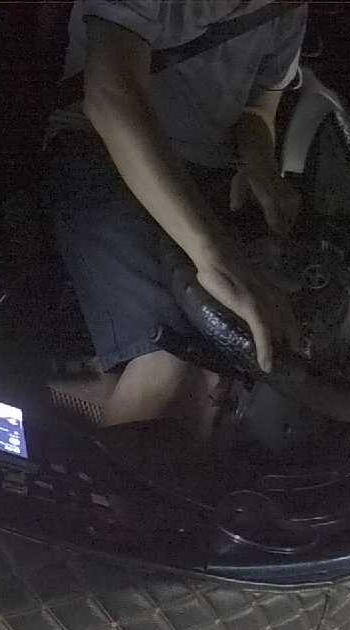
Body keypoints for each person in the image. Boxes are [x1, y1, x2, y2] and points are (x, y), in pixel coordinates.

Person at [45, 1, 308, 437]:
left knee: (231, 364)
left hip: (207, 177)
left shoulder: (290, 10)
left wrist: (260, 166)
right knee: (173, 363)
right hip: (102, 150)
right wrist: (215, 257)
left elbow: (260, 107)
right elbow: (111, 96)